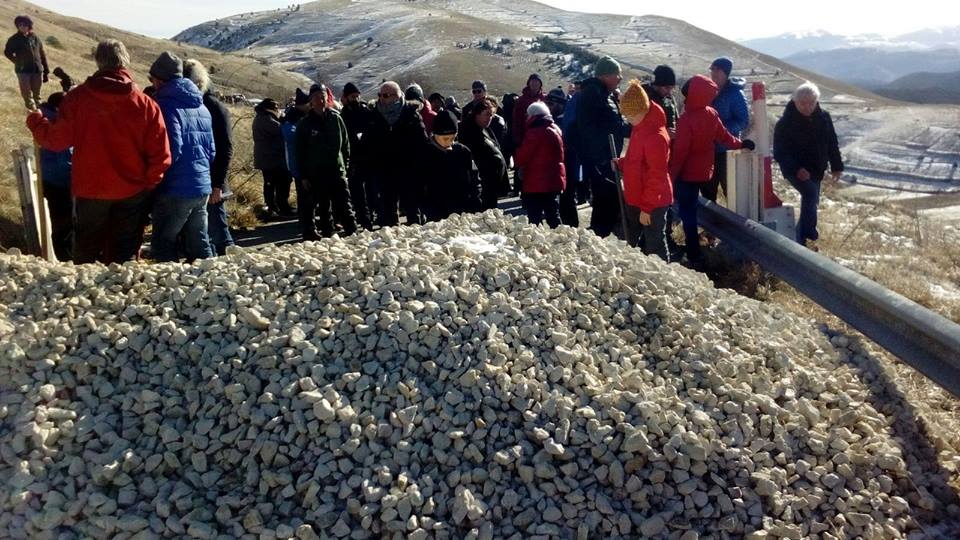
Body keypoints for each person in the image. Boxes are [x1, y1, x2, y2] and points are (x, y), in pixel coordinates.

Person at [26, 39, 171, 264]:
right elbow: (161, 154)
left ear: (98, 61)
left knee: (86, 249)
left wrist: (36, 121)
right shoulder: (145, 103)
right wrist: (149, 183)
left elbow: (55, 141)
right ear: (125, 60)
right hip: (132, 190)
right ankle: (122, 294)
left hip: (90, 190)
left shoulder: (77, 99)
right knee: (124, 251)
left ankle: (85, 294)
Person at [669, 74, 754, 270]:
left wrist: (671, 177)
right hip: (705, 171)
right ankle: (706, 242)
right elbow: (724, 136)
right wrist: (742, 144)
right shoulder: (711, 113)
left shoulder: (686, 120)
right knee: (701, 206)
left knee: (688, 212)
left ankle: (693, 253)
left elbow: (681, 152)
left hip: (687, 174)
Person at [149, 51, 216, 263]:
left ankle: (167, 290)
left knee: (163, 241)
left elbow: (172, 150)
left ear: (159, 80)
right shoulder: (201, 106)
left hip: (175, 187)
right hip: (202, 185)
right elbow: (211, 151)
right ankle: (210, 284)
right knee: (199, 240)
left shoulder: (165, 105)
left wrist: (154, 178)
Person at [774, 81, 844, 249]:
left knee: (812, 200)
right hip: (794, 170)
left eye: (811, 103)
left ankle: (806, 236)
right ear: (795, 102)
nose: (807, 107)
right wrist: (797, 169)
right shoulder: (785, 123)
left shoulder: (824, 118)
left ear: (816, 101)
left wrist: (836, 165)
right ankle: (805, 235)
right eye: (802, 103)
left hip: (816, 169)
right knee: (810, 193)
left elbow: (831, 143)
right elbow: (780, 152)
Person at [615, 81, 672, 261]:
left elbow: (657, 175)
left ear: (643, 110)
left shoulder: (656, 137)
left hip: (653, 202)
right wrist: (621, 163)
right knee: (630, 239)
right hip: (636, 196)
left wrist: (647, 208)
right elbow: (635, 160)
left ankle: (663, 279)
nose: (628, 120)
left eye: (631, 116)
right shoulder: (639, 128)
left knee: (654, 244)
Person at [576, 56, 631, 238]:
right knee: (607, 201)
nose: (620, 79)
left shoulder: (601, 93)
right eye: (618, 75)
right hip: (602, 159)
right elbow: (598, 128)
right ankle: (601, 238)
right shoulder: (595, 95)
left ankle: (599, 238)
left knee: (603, 202)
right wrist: (600, 160)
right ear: (606, 76)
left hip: (603, 158)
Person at [184, 58, 235, 256]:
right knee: (206, 234)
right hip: (200, 182)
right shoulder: (199, 105)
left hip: (213, 183)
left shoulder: (213, 107)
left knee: (218, 233)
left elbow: (225, 147)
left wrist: (218, 185)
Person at [295, 83, 358, 239]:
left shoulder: (336, 118)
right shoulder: (304, 124)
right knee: (323, 206)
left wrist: (346, 165)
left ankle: (353, 232)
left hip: (337, 170)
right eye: (316, 97)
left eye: (322, 96)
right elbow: (299, 151)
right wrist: (303, 175)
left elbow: (345, 145)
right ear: (311, 100)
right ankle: (327, 234)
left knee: (345, 204)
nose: (320, 100)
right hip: (316, 172)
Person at [362, 81, 429, 226]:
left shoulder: (411, 114)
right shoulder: (374, 116)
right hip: (384, 172)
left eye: (385, 95)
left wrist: (419, 167)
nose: (381, 98)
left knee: (412, 210)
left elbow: (422, 143)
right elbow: (367, 144)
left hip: (408, 170)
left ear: (397, 96)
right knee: (388, 213)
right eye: (379, 95)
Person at [420, 110, 482, 222]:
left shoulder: (463, 152)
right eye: (445, 138)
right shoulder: (425, 153)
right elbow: (418, 184)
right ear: (435, 134)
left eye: (452, 138)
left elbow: (474, 179)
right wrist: (424, 208)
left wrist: (475, 204)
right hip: (435, 212)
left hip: (463, 209)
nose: (448, 142)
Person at [515, 102, 565, 228]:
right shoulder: (555, 128)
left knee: (535, 217)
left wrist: (517, 160)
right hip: (553, 179)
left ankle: (537, 243)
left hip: (536, 180)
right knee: (553, 214)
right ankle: (561, 240)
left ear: (533, 115)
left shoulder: (536, 132)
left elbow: (523, 155)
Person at [708, 56, 750, 201]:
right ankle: (710, 222)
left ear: (724, 72)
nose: (712, 73)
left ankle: (733, 222)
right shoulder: (708, 91)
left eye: (716, 70)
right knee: (708, 190)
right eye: (712, 69)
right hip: (708, 150)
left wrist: (720, 130)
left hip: (728, 151)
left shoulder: (736, 94)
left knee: (731, 192)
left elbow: (743, 121)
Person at [37, 92, 73, 261]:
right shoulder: (55, 123)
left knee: (59, 221)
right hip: (59, 182)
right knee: (62, 223)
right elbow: (62, 158)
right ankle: (64, 256)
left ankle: (63, 254)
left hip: (52, 180)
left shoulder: (46, 119)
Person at [459, 97, 508, 210]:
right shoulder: (468, 132)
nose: (489, 118)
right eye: (486, 114)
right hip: (480, 188)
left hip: (490, 187)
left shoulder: (484, 129)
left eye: (491, 115)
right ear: (477, 114)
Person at [253, 97, 295, 218]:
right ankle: (275, 208)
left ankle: (278, 206)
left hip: (270, 157)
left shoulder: (263, 117)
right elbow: (280, 130)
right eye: (276, 108)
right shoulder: (264, 119)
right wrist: (284, 119)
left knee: (276, 183)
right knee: (275, 184)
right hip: (270, 158)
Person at [341, 82, 374, 228]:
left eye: (357, 96)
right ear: (346, 97)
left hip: (368, 156)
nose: (355, 99)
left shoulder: (366, 112)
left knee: (372, 190)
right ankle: (364, 220)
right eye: (352, 96)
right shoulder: (343, 115)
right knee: (358, 194)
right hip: (353, 159)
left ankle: (373, 216)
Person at [282, 88, 313, 235]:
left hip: (306, 162)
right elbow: (292, 137)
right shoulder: (291, 119)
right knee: (304, 194)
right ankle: (305, 221)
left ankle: (307, 220)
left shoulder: (302, 117)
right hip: (297, 163)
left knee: (308, 194)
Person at [545, 87, 577, 226]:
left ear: (560, 104)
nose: (548, 107)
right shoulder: (554, 120)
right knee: (564, 199)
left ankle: (572, 228)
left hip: (568, 164)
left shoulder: (565, 121)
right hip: (559, 165)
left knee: (567, 198)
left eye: (551, 104)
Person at [4, 16, 49, 110]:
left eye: (25, 24)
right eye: (20, 25)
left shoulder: (35, 38)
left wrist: (46, 70)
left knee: (37, 94)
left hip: (37, 70)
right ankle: (33, 112)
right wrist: (18, 62)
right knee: (27, 93)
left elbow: (42, 54)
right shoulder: (14, 39)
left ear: (29, 26)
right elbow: (7, 52)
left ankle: (40, 110)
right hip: (23, 71)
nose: (22, 26)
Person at [643, 65, 678, 136]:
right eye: (667, 88)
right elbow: (637, 128)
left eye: (672, 88)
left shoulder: (669, 97)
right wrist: (663, 132)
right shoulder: (643, 98)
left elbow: (677, 119)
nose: (669, 92)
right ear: (657, 85)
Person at [512, 73, 545, 150]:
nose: (534, 84)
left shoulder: (545, 99)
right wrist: (518, 139)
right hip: (525, 136)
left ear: (540, 84)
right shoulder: (521, 100)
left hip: (542, 137)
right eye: (532, 81)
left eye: (537, 82)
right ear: (528, 83)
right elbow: (517, 120)